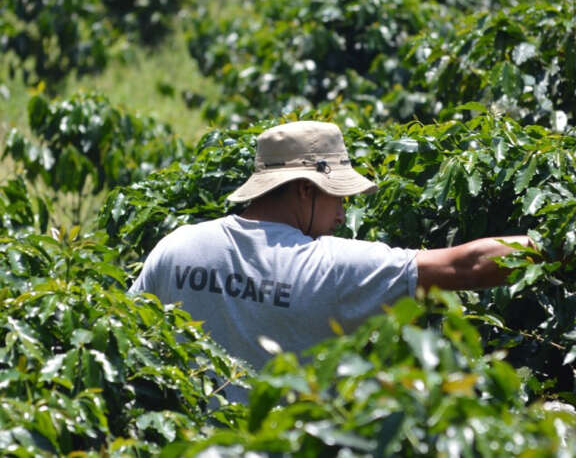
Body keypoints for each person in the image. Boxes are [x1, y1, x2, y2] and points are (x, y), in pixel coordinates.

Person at [130, 121, 532, 401]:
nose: (341, 215)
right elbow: (467, 266)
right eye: (337, 196)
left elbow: (131, 339)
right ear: (306, 190)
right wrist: (554, 246)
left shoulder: (175, 247)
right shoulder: (330, 267)